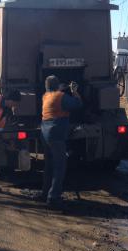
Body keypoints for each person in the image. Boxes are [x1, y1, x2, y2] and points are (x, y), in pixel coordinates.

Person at [40, 75, 82, 210]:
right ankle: (53, 198)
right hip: (56, 133)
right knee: (59, 167)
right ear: (58, 86)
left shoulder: (45, 96)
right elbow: (78, 104)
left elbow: (55, 94)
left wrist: (62, 88)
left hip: (45, 132)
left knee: (49, 165)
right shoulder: (61, 96)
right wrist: (74, 91)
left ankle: (45, 192)